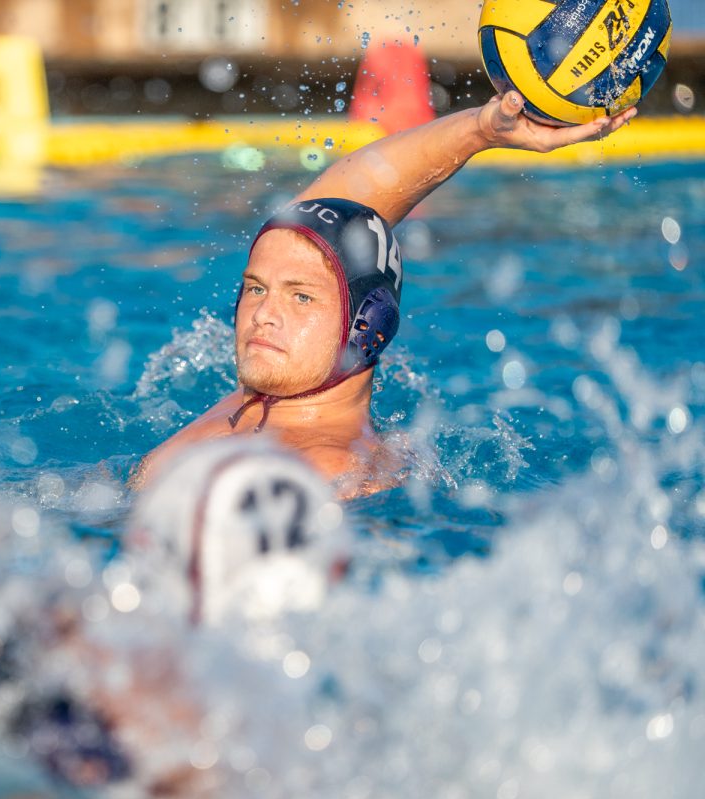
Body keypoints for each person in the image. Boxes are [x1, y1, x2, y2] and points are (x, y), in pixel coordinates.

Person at [131, 91, 637, 498]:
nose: (263, 314)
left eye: (301, 297)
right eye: (255, 288)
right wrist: (481, 130)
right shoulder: (262, 399)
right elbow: (344, 202)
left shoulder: (335, 474)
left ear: (366, 327)